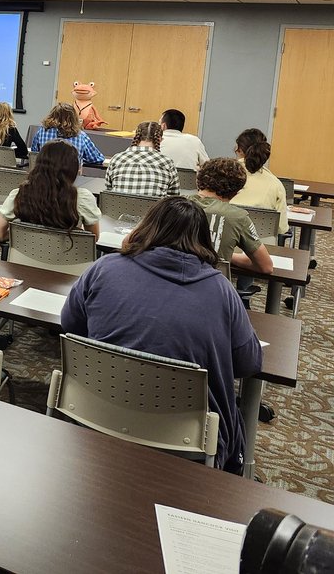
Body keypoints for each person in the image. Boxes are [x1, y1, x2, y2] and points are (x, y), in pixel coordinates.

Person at [61, 196, 262, 474]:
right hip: (188, 444)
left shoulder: (103, 269)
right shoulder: (222, 291)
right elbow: (248, 364)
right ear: (203, 240)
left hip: (93, 414)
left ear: (147, 226)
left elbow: (70, 325)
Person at [0, 140, 101, 243]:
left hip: (25, 262)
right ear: (73, 168)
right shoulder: (83, 198)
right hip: (66, 262)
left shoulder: (20, 194)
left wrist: (18, 235)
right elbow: (93, 238)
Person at [191, 158, 273, 287]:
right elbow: (266, 266)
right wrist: (225, 257)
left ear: (198, 180)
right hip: (212, 293)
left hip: (164, 287)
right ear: (236, 192)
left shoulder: (168, 204)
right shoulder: (238, 217)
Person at [232, 128, 289, 238]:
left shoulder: (221, 174)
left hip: (222, 246)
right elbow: (282, 228)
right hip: (260, 249)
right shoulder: (276, 184)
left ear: (238, 149)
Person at [104, 121, 180, 198]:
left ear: (136, 137)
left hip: (117, 208)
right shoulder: (167, 162)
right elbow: (174, 197)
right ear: (160, 139)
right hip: (154, 209)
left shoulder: (117, 158)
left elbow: (108, 190)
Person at [29, 103, 105, 167]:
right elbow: (96, 159)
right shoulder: (81, 136)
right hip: (70, 178)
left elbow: (34, 152)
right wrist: (79, 158)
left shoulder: (42, 131)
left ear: (52, 115)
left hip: (45, 176)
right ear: (73, 118)